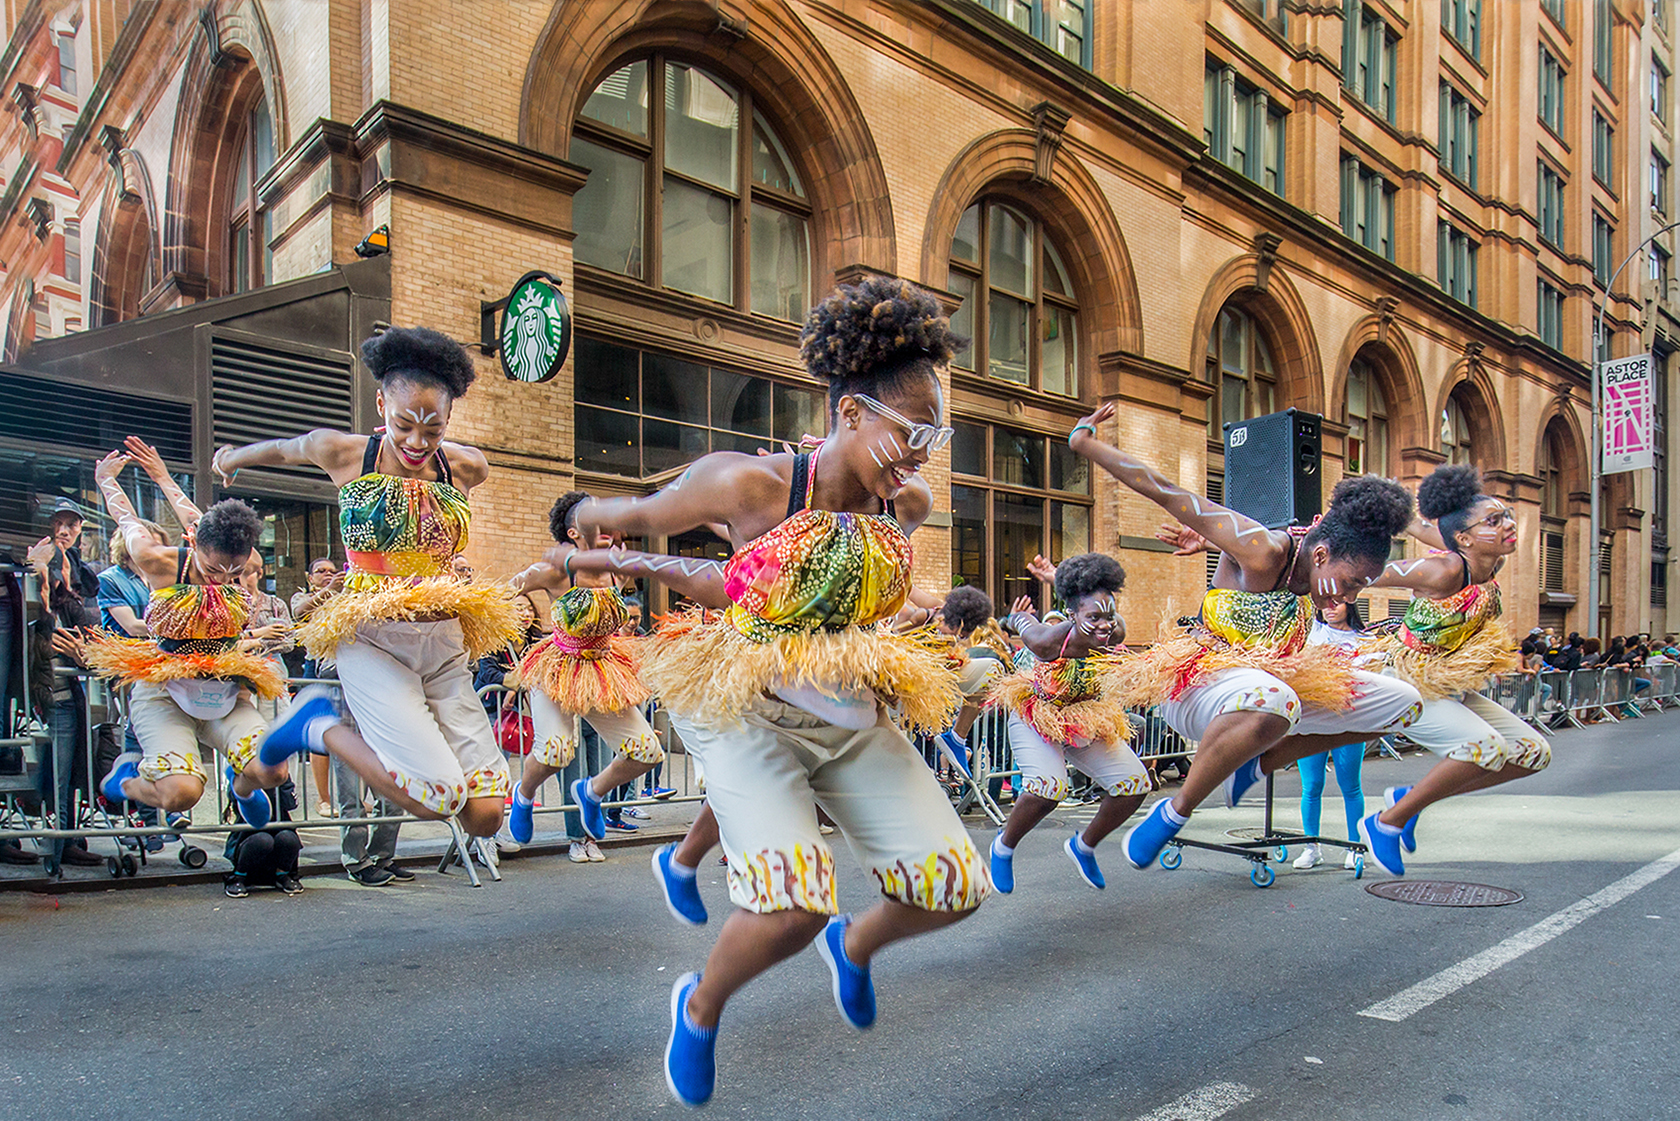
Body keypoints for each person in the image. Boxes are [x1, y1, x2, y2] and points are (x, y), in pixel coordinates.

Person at [561, 277, 985, 1107]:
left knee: (952, 884)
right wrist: (587, 517)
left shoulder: (910, 502)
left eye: (936, 432)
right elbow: (642, 511)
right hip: (741, 702)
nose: (923, 450)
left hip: (846, 709)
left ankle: (856, 947)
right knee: (792, 903)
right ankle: (701, 1004)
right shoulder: (751, 487)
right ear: (851, 412)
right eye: (910, 429)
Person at [1070, 403, 1422, 872]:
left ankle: (1255, 765)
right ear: (1321, 555)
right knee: (1277, 700)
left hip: (1266, 695)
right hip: (1199, 686)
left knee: (1406, 702)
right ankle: (1173, 813)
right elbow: (1167, 491)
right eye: (1352, 581)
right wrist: (1086, 443)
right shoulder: (1262, 550)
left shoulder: (1315, 556)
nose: (1351, 597)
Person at [216, 326, 521, 843]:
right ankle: (316, 726)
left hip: (443, 645)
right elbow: (284, 448)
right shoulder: (344, 453)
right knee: (436, 796)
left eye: (435, 430)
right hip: (374, 638)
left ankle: (339, 733)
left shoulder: (467, 466)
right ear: (381, 403)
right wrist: (230, 458)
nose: (418, 443)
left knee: (487, 814)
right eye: (405, 425)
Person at [1355, 465, 1550, 876]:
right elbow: (1366, 574)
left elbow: (1423, 526)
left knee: (1534, 753)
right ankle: (1385, 823)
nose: (1509, 526)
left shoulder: (1486, 560)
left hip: (1448, 683)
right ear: (1465, 538)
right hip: (1408, 680)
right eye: (1494, 521)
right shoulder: (1443, 569)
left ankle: (1410, 799)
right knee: (1484, 748)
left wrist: (1394, 505)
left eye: (1507, 515)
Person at [84, 452, 289, 830]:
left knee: (272, 770)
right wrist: (107, 481)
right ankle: (125, 780)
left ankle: (240, 788)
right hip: (166, 689)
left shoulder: (228, 550)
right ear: (193, 544)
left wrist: (160, 472)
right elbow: (127, 519)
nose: (222, 579)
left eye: (235, 572)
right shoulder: (158, 560)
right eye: (213, 570)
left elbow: (192, 511)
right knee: (183, 793)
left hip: (224, 687)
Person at [503, 491, 665, 848]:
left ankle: (591, 792)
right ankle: (525, 794)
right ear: (573, 532)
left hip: (603, 669)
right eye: (594, 520)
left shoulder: (618, 569)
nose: (606, 526)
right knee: (557, 751)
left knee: (647, 752)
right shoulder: (551, 571)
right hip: (557, 668)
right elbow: (501, 596)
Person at [986, 553, 1148, 893]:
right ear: (1073, 616)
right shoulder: (1048, 642)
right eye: (1093, 617)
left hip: (1084, 714)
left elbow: (1091, 598)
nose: (1104, 625)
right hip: (1038, 713)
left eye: (1110, 615)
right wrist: (1013, 618)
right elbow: (1023, 624)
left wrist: (1059, 577)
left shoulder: (1114, 631)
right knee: (1049, 787)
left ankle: (1084, 846)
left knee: (1134, 784)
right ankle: (1003, 846)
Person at [1292, 600, 1368, 871]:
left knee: (1350, 786)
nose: (1330, 608)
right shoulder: (1311, 634)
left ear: (1351, 602)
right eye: (1326, 604)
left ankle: (1354, 847)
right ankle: (1311, 848)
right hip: (1313, 722)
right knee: (1311, 786)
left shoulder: (1366, 640)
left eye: (1337, 603)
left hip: (1348, 723)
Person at [290, 556, 344, 817]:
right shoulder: (302, 597)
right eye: (321, 571)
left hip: (344, 668)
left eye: (332, 571)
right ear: (309, 577)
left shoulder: (343, 597)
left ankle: (351, 800)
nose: (327, 574)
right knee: (320, 736)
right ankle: (323, 799)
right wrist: (329, 591)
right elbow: (300, 614)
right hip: (315, 669)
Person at [222, 777, 303, 898]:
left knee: (288, 838)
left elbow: (290, 803)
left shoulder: (279, 772)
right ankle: (239, 876)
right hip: (249, 832)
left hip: (279, 825)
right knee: (263, 840)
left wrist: (280, 782)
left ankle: (283, 874)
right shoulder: (241, 774)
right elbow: (236, 800)